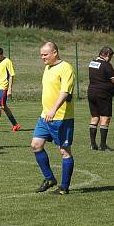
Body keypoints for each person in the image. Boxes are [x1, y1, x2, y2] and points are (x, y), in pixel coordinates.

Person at [31, 42, 76, 195]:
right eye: (41, 55)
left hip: (61, 118)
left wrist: (53, 110)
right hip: (45, 116)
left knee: (64, 151)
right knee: (36, 145)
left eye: (45, 54)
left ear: (55, 52)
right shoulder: (48, 67)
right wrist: (47, 111)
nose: (42, 57)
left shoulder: (66, 68)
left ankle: (64, 187)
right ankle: (49, 178)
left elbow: (64, 92)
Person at [87, 46, 114, 151]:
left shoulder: (92, 63)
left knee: (94, 117)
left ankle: (93, 144)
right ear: (107, 55)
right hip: (103, 94)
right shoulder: (106, 65)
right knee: (105, 118)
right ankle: (103, 145)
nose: (111, 59)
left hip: (91, 92)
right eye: (110, 56)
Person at [0, 47, 21, 133]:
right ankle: (15, 124)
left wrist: (9, 88)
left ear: (1, 54)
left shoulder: (7, 61)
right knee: (4, 107)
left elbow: (11, 75)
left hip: (4, 87)